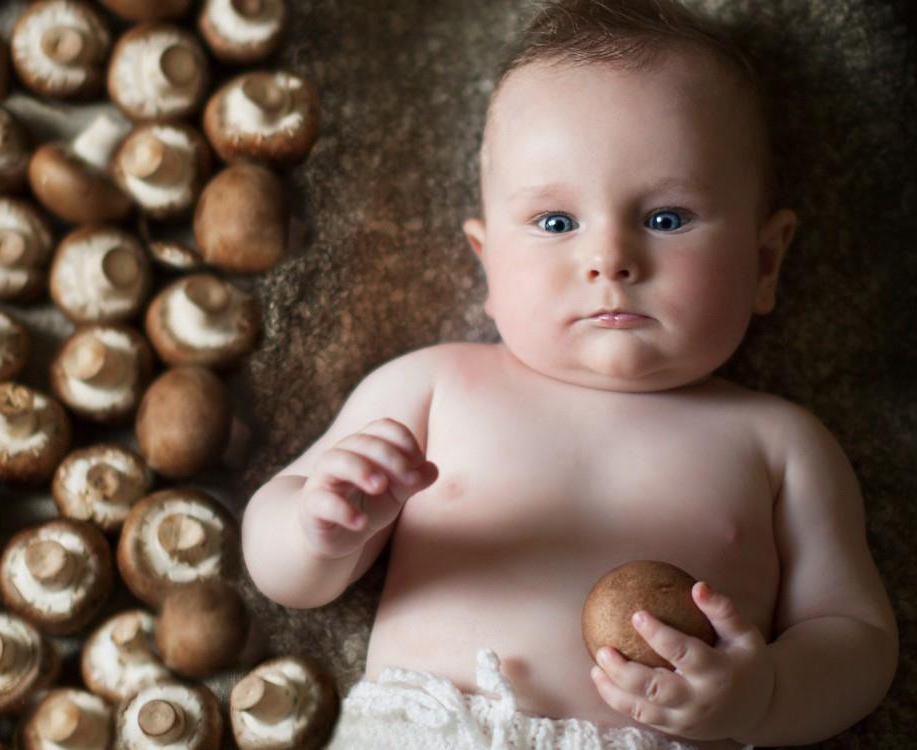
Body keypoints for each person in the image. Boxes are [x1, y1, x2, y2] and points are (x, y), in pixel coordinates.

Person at [240, 0, 900, 748]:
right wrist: (318, 528)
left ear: (763, 262)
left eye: (667, 218)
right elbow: (281, 568)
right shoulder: (434, 387)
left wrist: (765, 694)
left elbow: (858, 640)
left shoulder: (780, 443)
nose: (609, 259)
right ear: (487, 264)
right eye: (556, 223)